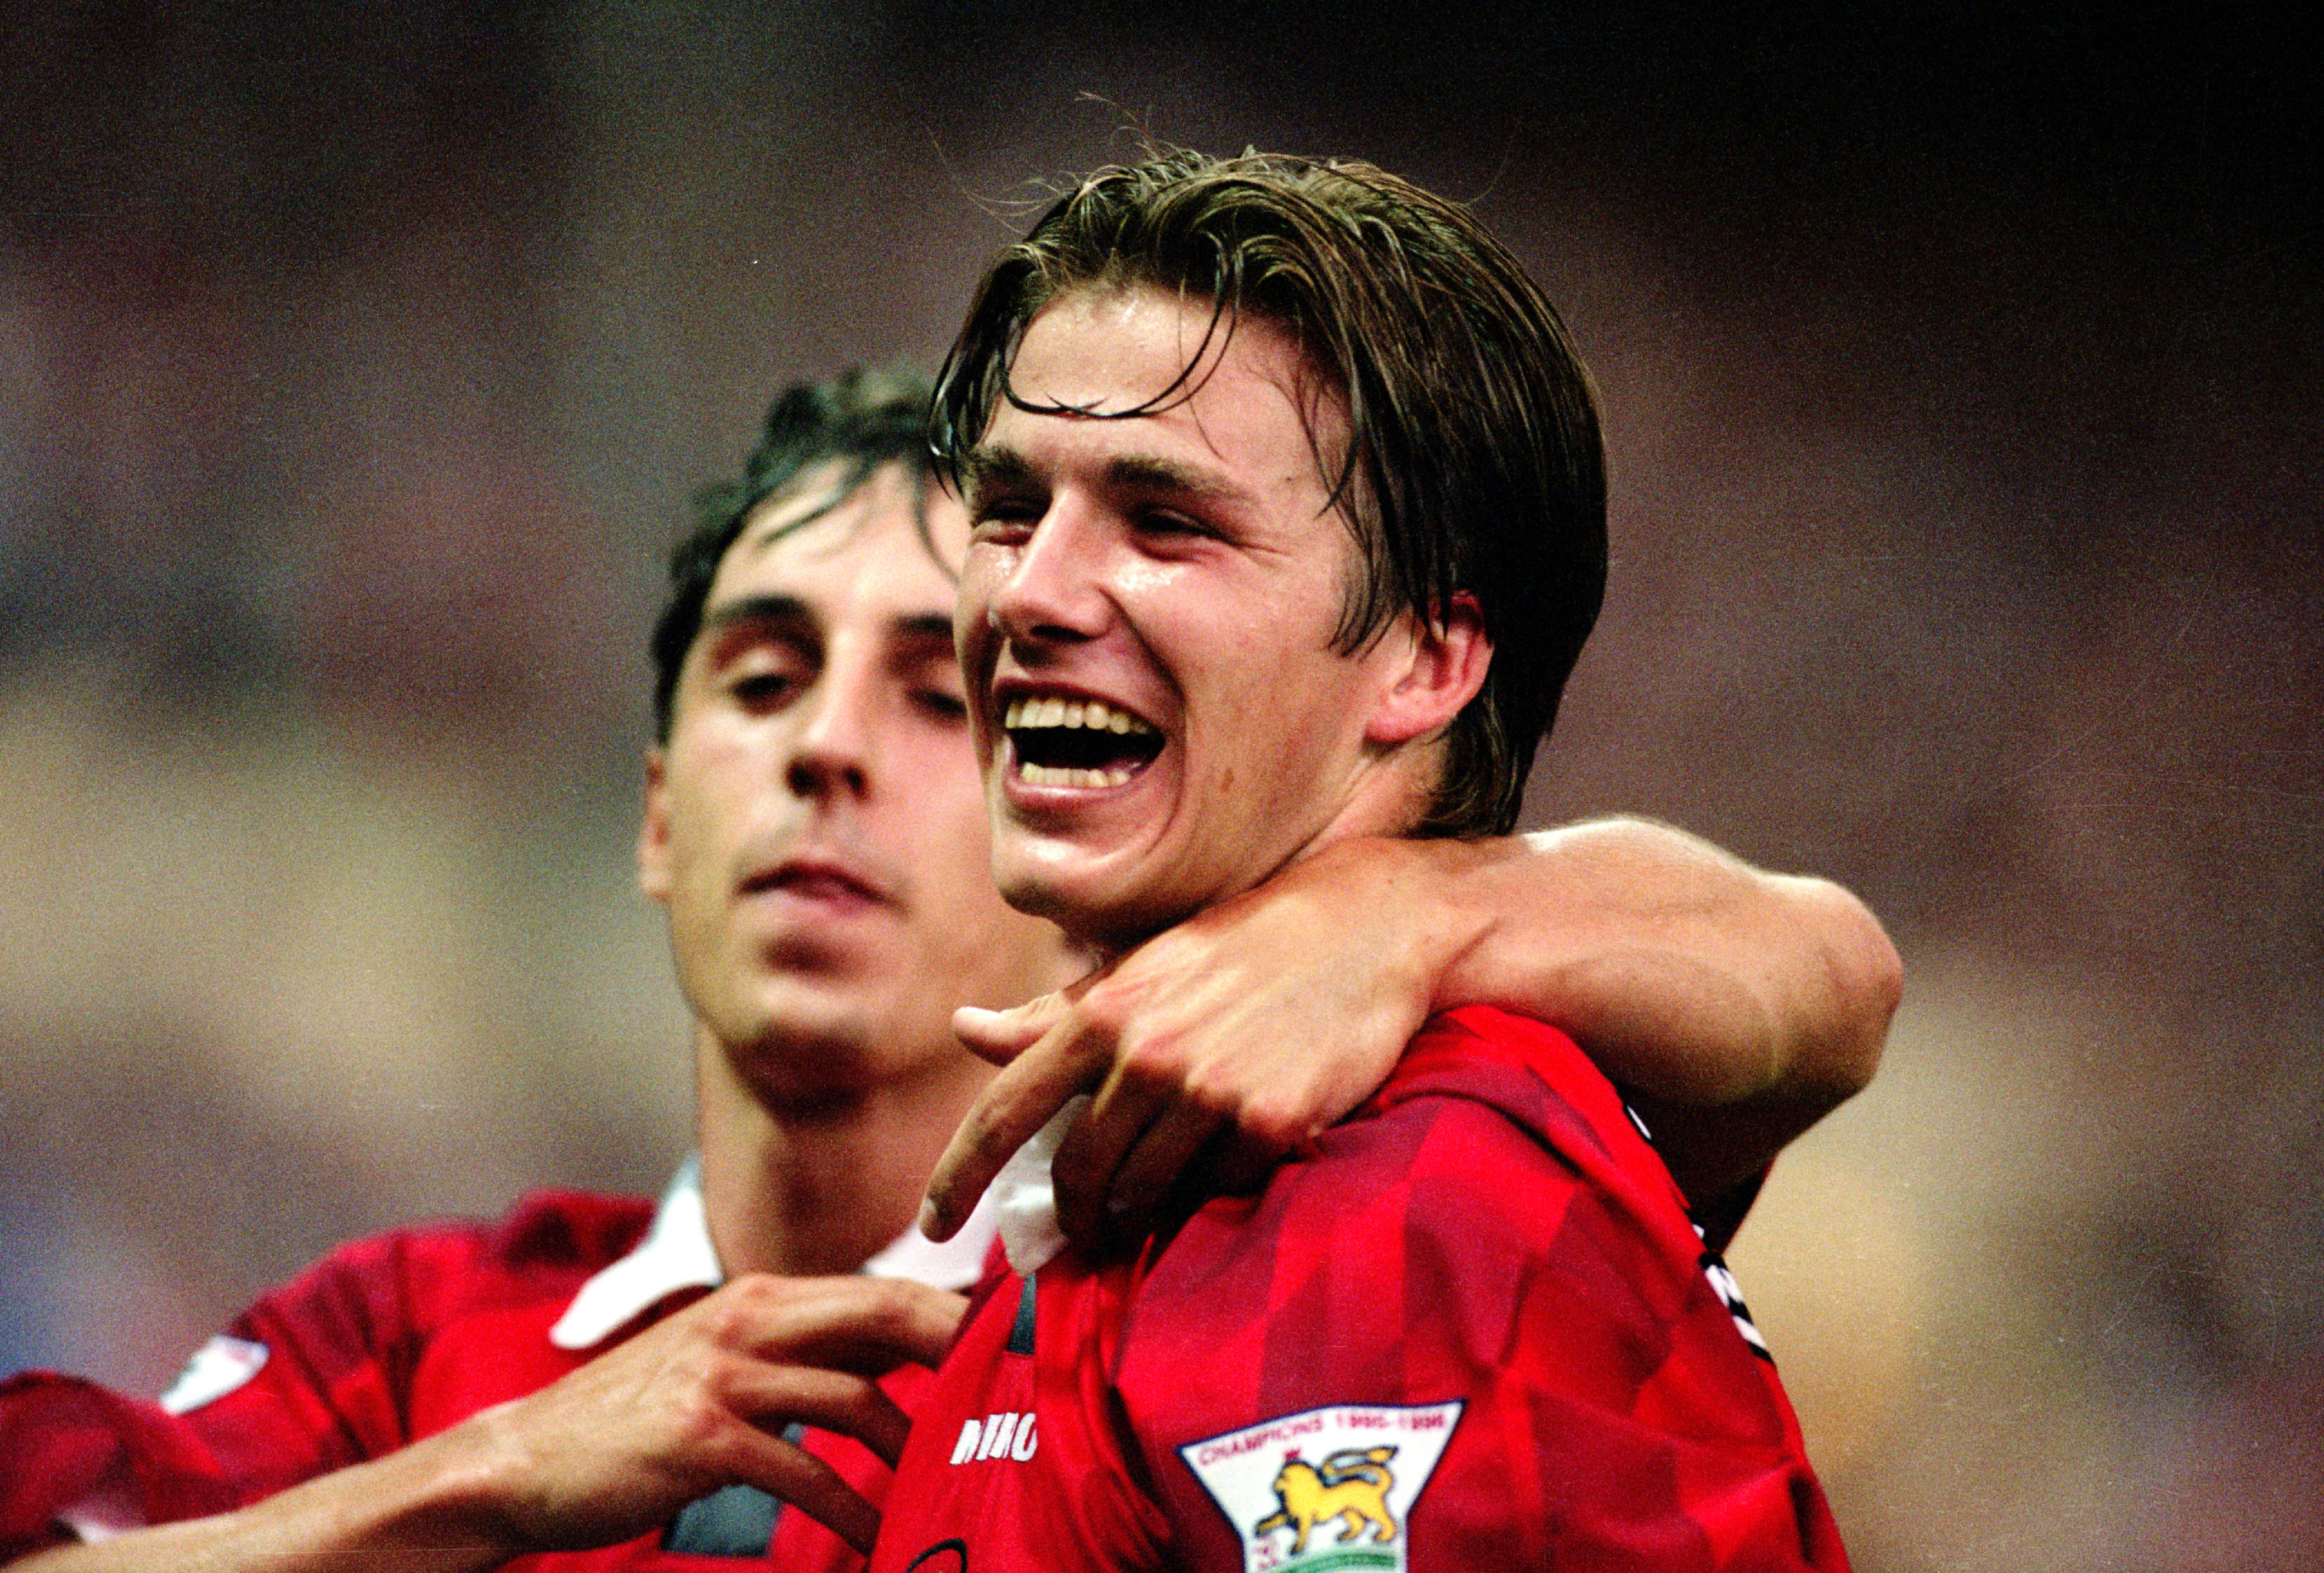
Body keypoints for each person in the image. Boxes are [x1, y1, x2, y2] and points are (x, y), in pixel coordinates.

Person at [1, 362, 1894, 1569]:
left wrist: (1415, 908)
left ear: (1063, 787)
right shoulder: (419, 1349)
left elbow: (1816, 985)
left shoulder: (1274, 1249)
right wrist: (484, 1478)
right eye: (760, 676)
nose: (824, 748)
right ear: (660, 815)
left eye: (935, 692)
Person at [868, 149, 1857, 1571]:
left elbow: (1837, 982)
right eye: (1012, 509)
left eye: (1166, 522)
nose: (1028, 591)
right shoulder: (1109, 1218)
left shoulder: (1422, 1198)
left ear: (1426, 654)